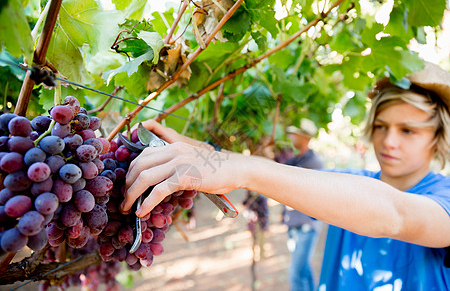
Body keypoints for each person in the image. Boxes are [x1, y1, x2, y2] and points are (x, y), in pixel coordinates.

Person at [121, 61, 450, 290]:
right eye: (380, 126)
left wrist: (247, 170)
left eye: (408, 131)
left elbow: (396, 214)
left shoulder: (444, 198)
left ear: (438, 137)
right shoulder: (351, 180)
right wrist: (192, 149)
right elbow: (290, 178)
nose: (389, 141)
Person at [282, 119, 324, 291]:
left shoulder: (313, 163)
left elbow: (285, 181)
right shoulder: (295, 160)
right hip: (294, 226)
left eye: (294, 134)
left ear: (304, 138)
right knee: (304, 270)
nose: (291, 137)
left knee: (296, 273)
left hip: (307, 226)